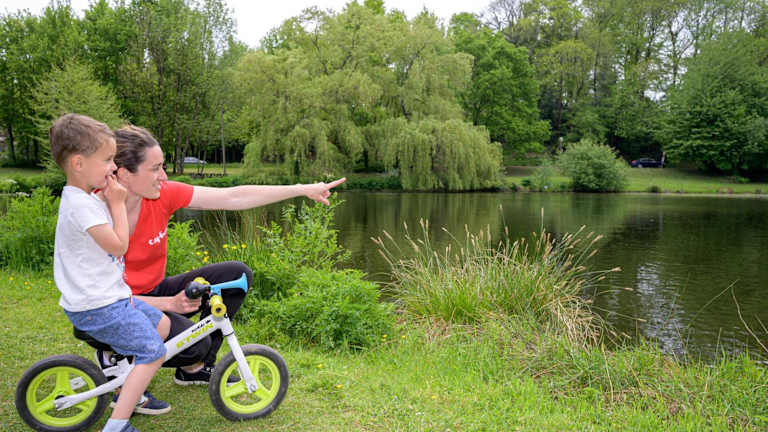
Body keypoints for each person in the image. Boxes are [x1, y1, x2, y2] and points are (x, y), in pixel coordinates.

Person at [111, 125, 344, 388]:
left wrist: (302, 189)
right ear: (124, 174)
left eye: (162, 166)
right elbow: (100, 300)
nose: (163, 176)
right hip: (114, 307)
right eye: (155, 169)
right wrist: (169, 304)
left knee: (235, 276)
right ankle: (117, 358)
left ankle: (195, 370)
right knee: (195, 345)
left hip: (153, 291)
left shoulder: (162, 195)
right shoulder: (94, 216)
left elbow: (234, 196)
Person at [50, 114, 171, 432]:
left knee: (161, 324)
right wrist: (118, 203)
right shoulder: (80, 206)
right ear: (78, 163)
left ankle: (126, 386)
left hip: (110, 298)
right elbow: (118, 247)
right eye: (106, 160)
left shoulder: (85, 199)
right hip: (98, 306)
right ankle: (118, 425)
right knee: (153, 352)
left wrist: (110, 199)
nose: (112, 167)